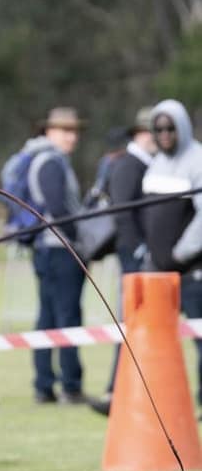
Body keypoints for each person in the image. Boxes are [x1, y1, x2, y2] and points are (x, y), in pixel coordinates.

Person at [89, 107, 155, 416]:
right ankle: (116, 388)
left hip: (141, 253)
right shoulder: (130, 165)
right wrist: (139, 248)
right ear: (140, 135)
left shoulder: (145, 163)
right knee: (130, 318)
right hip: (134, 254)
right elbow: (124, 213)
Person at [139, 99, 202, 419]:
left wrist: (181, 252)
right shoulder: (155, 165)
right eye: (158, 128)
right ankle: (153, 402)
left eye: (170, 128)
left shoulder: (198, 160)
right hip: (156, 271)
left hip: (192, 271)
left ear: (183, 128)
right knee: (150, 338)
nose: (164, 134)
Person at [26, 107, 88, 404]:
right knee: (65, 317)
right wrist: (80, 240)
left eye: (74, 131)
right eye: (65, 130)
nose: (72, 137)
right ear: (48, 131)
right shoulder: (51, 161)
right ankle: (69, 385)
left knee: (49, 317)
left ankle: (45, 384)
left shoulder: (50, 159)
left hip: (50, 249)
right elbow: (58, 208)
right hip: (59, 249)